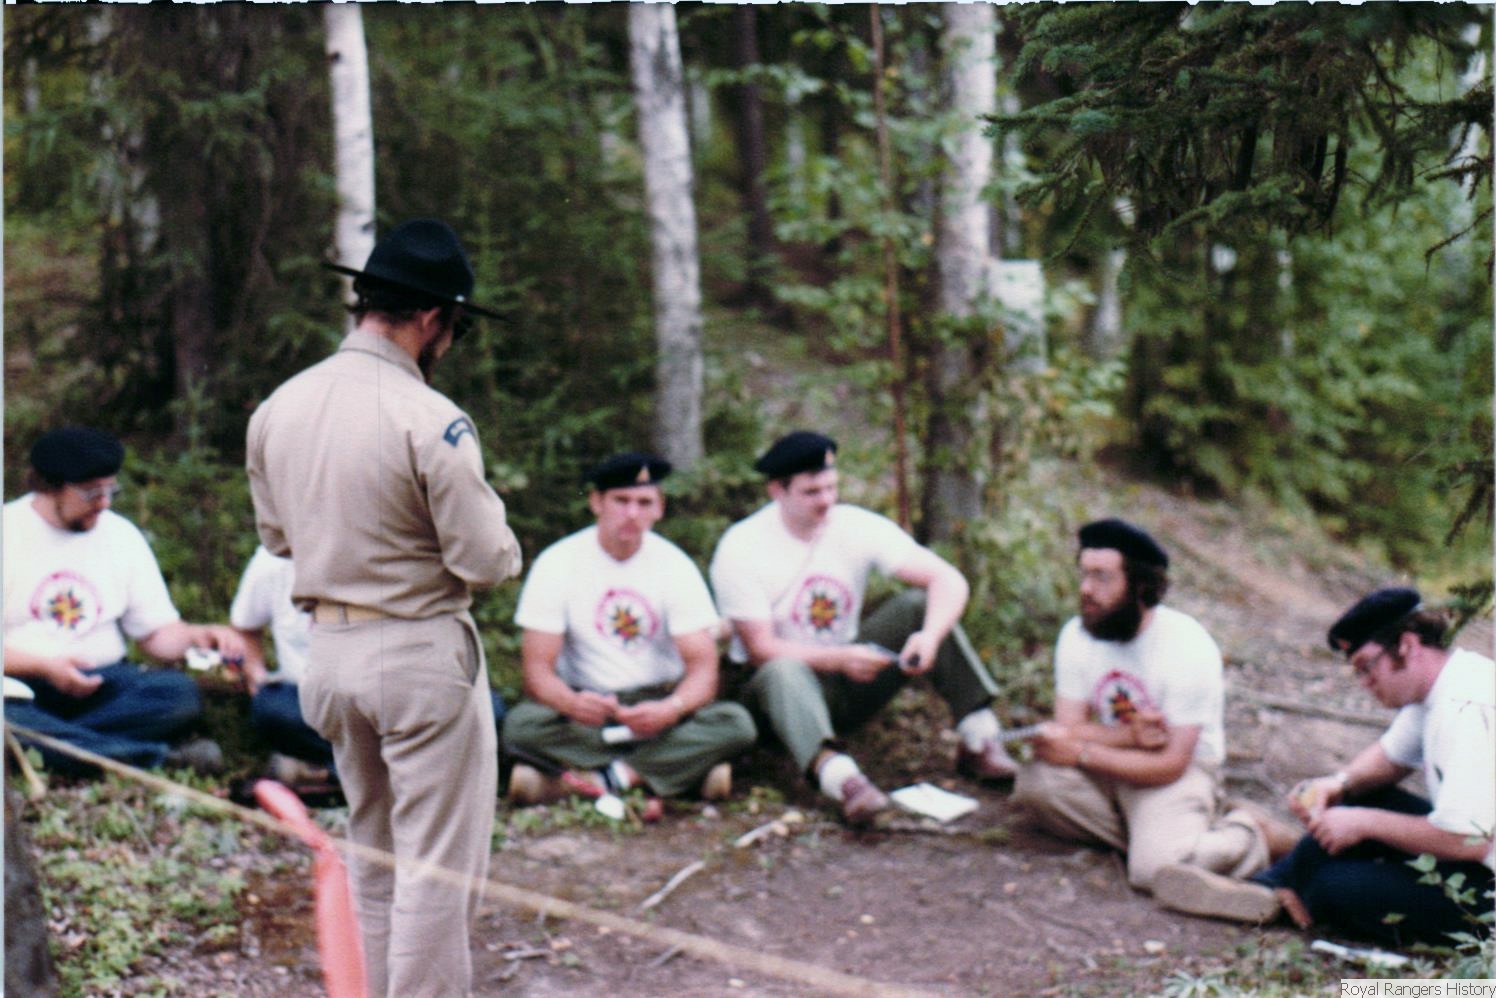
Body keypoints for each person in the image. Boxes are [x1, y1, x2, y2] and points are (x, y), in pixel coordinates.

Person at [246, 218, 522, 998]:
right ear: (432, 317)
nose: (452, 343)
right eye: (457, 326)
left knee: (374, 856)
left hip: (329, 655)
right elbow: (486, 560)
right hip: (418, 653)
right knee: (435, 871)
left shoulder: (279, 408)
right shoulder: (430, 418)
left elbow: (277, 537)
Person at [708, 430, 1019, 827]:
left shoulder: (854, 526)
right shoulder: (742, 546)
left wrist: (929, 636)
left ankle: (979, 736)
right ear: (777, 491)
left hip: (844, 682)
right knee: (782, 669)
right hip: (770, 695)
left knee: (918, 606)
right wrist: (840, 659)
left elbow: (948, 579)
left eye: (831, 488)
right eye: (811, 492)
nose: (826, 501)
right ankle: (842, 780)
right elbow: (760, 649)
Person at [1013, 518, 1293, 909]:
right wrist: (1124, 737)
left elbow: (1171, 763)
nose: (1086, 589)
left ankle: (1249, 834)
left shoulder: (1187, 645)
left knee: (1151, 871)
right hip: (1114, 762)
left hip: (1176, 771)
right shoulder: (1078, 635)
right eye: (1084, 574)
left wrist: (1081, 753)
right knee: (1037, 787)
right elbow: (1069, 728)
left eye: (1101, 577)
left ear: (1141, 586)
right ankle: (1171, 839)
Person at [1222, 588, 1493, 945]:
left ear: (1407, 646)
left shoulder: (1468, 705)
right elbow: (1390, 758)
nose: (1365, 683)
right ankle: (1269, 888)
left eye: (1367, 666)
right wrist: (1337, 784)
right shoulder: (1439, 688)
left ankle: (1296, 895)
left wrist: (1364, 823)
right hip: (1476, 857)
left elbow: (1470, 840)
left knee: (1335, 887)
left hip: (1487, 887)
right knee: (1361, 797)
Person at [503, 453, 756, 805]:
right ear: (596, 502)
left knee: (735, 724)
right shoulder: (557, 563)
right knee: (519, 727)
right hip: (589, 713)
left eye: (644, 502)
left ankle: (604, 779)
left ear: (659, 507)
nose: (633, 513)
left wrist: (672, 708)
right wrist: (571, 703)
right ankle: (678, 773)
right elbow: (536, 672)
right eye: (621, 501)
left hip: (658, 709)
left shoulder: (675, 566)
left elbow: (703, 669)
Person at [3, 426, 245, 776]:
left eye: (110, 491)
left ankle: (57, 749)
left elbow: (155, 634)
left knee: (177, 694)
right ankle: (152, 758)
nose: (104, 503)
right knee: (9, 717)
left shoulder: (120, 535)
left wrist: (199, 635)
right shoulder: (8, 530)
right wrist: (45, 667)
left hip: (102, 687)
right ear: (50, 486)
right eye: (92, 493)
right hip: (21, 687)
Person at [228, 544, 508, 795]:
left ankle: (336, 770)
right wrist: (257, 676)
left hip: (397, 698)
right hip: (319, 706)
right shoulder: (274, 559)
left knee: (484, 707)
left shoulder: (395, 547)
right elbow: (245, 628)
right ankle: (408, 773)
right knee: (270, 707)